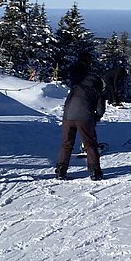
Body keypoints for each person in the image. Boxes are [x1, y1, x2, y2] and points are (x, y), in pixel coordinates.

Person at [55, 52, 106, 180]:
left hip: (68, 117)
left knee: (66, 144)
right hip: (84, 119)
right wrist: (95, 118)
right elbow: (100, 110)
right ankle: (94, 171)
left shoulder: (76, 87)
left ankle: (61, 170)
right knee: (90, 144)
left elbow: (67, 102)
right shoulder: (97, 91)